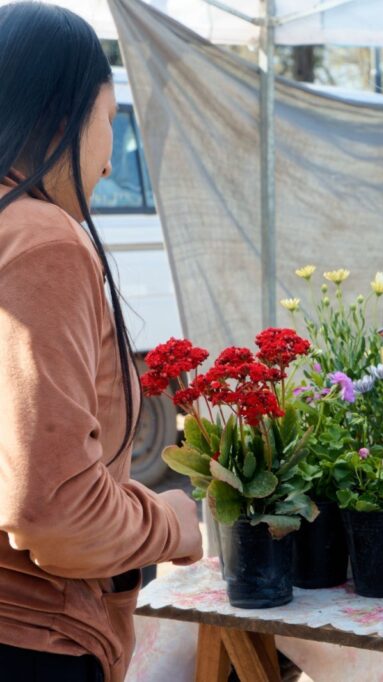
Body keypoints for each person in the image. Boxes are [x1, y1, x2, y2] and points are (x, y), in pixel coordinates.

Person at [0, 4, 203, 681]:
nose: (112, 157)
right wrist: (172, 521)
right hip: (29, 642)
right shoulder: (39, 239)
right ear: (60, 120)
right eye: (107, 122)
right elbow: (53, 513)